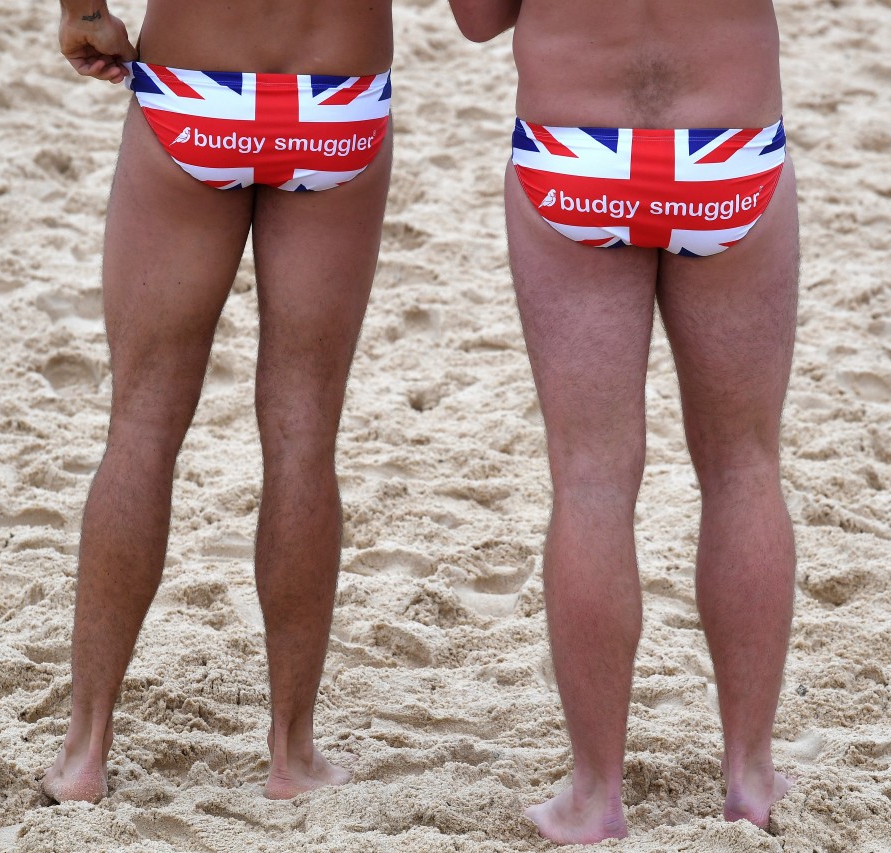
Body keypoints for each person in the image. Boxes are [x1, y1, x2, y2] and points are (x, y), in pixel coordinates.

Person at [447, 0, 798, 844]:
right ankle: (749, 774)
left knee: (592, 478)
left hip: (577, 149)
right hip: (727, 145)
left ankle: (595, 792)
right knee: (744, 466)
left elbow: (477, 18)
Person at [42, 0, 393, 803]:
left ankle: (84, 751)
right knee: (304, 432)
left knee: (140, 424)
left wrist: (85, 13)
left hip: (195, 80)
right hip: (334, 94)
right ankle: (292, 753)